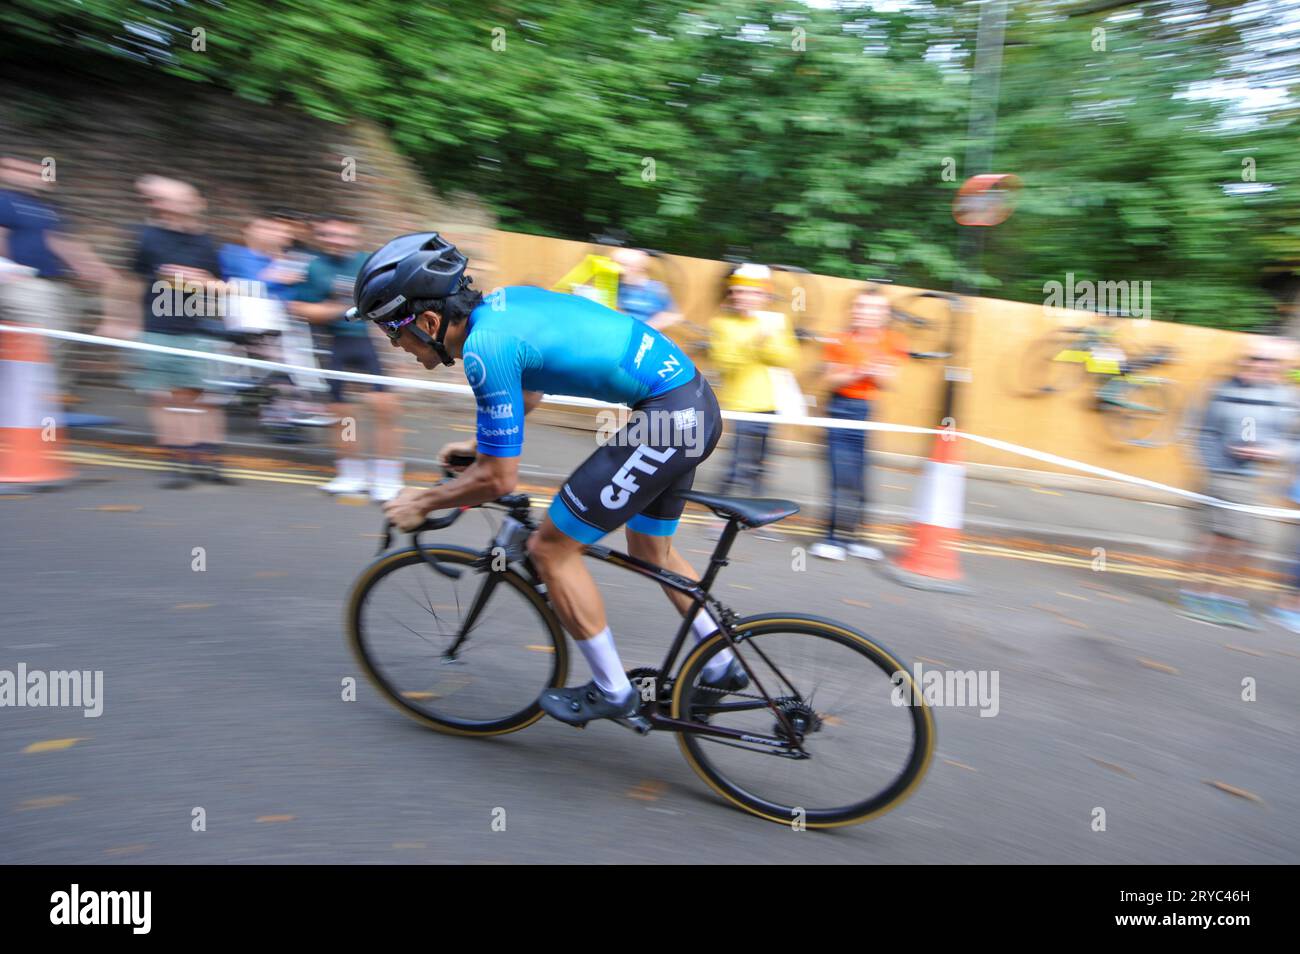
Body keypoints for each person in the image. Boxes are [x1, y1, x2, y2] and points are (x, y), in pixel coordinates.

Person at [357, 232, 743, 726]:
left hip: (668, 419)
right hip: (693, 403)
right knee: (652, 553)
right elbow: (529, 388)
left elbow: (498, 480)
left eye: (395, 334)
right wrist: (478, 449)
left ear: (429, 321)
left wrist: (424, 503)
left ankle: (612, 689)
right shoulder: (503, 305)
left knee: (550, 548)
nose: (398, 346)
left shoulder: (483, 348)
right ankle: (722, 660)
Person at [120, 177, 234, 487]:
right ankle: (177, 462)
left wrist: (196, 280)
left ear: (198, 205)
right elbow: (130, 281)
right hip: (156, 327)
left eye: (183, 200)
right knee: (164, 398)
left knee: (205, 399)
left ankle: (208, 462)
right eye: (168, 200)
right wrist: (124, 321)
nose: (175, 207)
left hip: (197, 328)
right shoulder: (145, 237)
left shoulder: (206, 242)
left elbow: (222, 287)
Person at [1180, 338, 1299, 628]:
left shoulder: (1287, 398)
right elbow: (1200, 431)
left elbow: (1294, 441)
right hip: (1221, 474)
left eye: (1269, 362)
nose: (1261, 366)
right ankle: (1199, 593)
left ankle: (1223, 596)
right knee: (1218, 537)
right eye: (1255, 359)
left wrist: (1273, 451)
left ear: (1281, 367)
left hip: (1255, 479)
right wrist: (1215, 466)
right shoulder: (1219, 390)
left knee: (1241, 540)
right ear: (1244, 360)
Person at [289, 216, 404, 501]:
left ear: (355, 237)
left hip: (366, 341)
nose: (337, 240)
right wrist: (336, 309)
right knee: (342, 414)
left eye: (344, 236)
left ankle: (387, 477)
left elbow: (394, 299)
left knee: (384, 407)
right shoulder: (315, 266)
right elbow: (298, 307)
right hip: (333, 343)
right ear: (322, 237)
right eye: (330, 235)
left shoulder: (369, 262)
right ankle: (351, 474)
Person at [810, 285, 908, 562]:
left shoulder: (893, 340)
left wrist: (879, 372)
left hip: (866, 411)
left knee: (861, 476)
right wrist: (860, 371)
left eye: (875, 309)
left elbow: (891, 381)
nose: (867, 313)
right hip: (840, 408)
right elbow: (831, 379)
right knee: (839, 475)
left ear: (884, 314)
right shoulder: (838, 339)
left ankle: (856, 537)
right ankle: (831, 537)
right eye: (862, 307)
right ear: (853, 311)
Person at [0, 156, 114, 390]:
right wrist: (8, 267)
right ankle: (28, 394)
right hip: (19, 281)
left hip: (53, 284)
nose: (32, 176)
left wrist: (96, 269)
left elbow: (63, 243)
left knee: (65, 334)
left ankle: (50, 396)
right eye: (22, 170)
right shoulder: (5, 200)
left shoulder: (49, 210)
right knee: (44, 334)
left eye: (36, 171)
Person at [708, 263, 800, 501]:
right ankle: (721, 515)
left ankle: (755, 518)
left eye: (752, 292)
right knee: (736, 464)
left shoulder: (777, 322)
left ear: (764, 296)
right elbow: (725, 363)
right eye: (739, 292)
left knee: (760, 466)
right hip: (741, 405)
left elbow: (785, 358)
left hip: (771, 402)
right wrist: (756, 341)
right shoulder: (722, 324)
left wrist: (766, 341)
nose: (745, 297)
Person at [612, 247, 682, 330]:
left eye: (623, 265)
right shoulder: (618, 286)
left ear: (638, 268)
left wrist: (647, 328)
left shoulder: (655, 289)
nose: (617, 269)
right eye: (615, 264)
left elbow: (673, 315)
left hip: (644, 336)